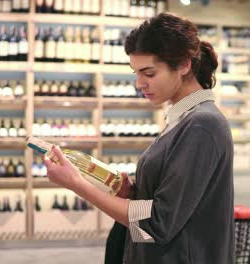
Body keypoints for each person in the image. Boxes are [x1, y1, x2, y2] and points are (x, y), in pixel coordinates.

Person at [44, 12, 234, 264]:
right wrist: (133, 192)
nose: (139, 83)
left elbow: (159, 222)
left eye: (149, 73)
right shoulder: (183, 118)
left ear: (185, 65)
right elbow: (175, 199)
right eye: (136, 73)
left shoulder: (202, 124)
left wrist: (78, 184)